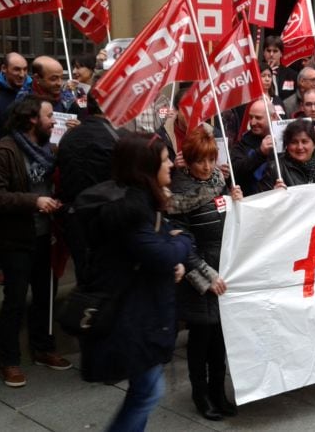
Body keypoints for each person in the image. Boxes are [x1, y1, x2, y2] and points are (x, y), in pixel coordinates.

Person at [78, 132, 191, 431]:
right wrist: (185, 243)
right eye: (165, 160)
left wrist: (170, 254)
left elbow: (157, 250)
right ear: (146, 167)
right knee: (148, 391)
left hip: (140, 308)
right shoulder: (131, 210)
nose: (171, 166)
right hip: (130, 313)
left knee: (146, 390)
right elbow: (161, 252)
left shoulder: (142, 202)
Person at [0, 95, 70, 387]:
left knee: (45, 296)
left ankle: (43, 348)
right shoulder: (4, 152)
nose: (53, 121)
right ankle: (9, 361)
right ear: (32, 119)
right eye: (48, 116)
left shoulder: (49, 149)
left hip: (47, 236)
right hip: (17, 239)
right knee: (15, 300)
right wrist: (35, 201)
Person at [166, 126, 241, 421]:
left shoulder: (218, 182)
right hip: (200, 276)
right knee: (200, 339)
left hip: (224, 270)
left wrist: (235, 198)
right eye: (200, 161)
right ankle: (201, 395)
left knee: (220, 339)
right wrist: (206, 277)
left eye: (211, 159)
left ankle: (218, 391)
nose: (206, 166)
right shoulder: (179, 194)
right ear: (189, 160)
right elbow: (183, 243)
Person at [56, 90, 122, 282]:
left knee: (85, 277)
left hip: (75, 218)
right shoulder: (115, 138)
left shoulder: (68, 137)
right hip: (106, 221)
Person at [260, 119, 315, 190]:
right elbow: (262, 200)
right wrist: (274, 194)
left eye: (304, 141)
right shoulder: (275, 169)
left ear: (314, 144)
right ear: (287, 145)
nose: (300, 147)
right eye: (294, 142)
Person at [231, 98, 278, 196]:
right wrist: (260, 153)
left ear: (273, 117)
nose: (252, 122)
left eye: (258, 118)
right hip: (252, 201)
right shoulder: (243, 142)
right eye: (251, 117)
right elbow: (235, 171)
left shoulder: (287, 138)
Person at [262, 35, 297, 101]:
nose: (271, 54)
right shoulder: (256, 73)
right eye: (268, 51)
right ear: (263, 52)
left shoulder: (292, 75)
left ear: (281, 53)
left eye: (275, 51)